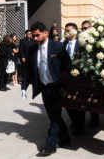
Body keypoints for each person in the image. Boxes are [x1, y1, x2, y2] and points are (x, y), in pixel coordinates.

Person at [23, 22, 71, 156]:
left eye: (37, 35)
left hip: (58, 87)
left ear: (46, 33)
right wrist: (24, 87)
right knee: (53, 115)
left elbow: (67, 65)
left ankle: (50, 145)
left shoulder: (58, 46)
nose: (35, 38)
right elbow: (28, 69)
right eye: (33, 36)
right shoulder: (32, 49)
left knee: (54, 117)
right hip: (44, 87)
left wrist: (66, 83)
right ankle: (65, 139)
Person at [19, 29, 34, 99]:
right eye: (29, 34)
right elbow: (21, 50)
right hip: (25, 60)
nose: (30, 35)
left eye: (31, 34)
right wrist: (22, 57)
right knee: (25, 75)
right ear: (26, 34)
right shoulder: (22, 41)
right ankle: (23, 89)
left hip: (32, 60)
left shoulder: (33, 41)